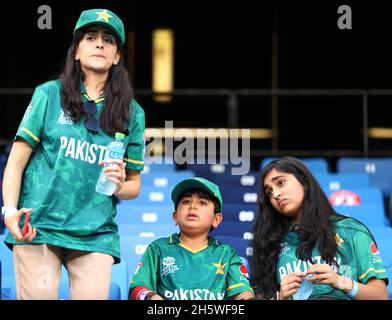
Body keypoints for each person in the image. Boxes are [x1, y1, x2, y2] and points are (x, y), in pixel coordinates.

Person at [1, 8, 145, 300]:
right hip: (39, 225)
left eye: (108, 40)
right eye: (91, 38)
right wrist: (9, 210)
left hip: (95, 232)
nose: (100, 44)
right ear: (77, 51)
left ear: (117, 56)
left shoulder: (133, 113)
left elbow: (133, 186)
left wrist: (118, 184)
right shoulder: (48, 94)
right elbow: (16, 161)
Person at [251, 156, 389, 300]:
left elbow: (381, 296)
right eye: (269, 192)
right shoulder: (268, 244)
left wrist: (340, 281)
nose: (276, 194)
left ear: (304, 181)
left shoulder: (351, 230)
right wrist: (280, 297)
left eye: (281, 183)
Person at [129, 177, 255, 300]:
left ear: (216, 220)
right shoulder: (158, 248)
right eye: (186, 202)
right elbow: (137, 289)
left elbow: (243, 292)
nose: (192, 206)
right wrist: (152, 297)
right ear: (175, 217)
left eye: (202, 203)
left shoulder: (226, 253)